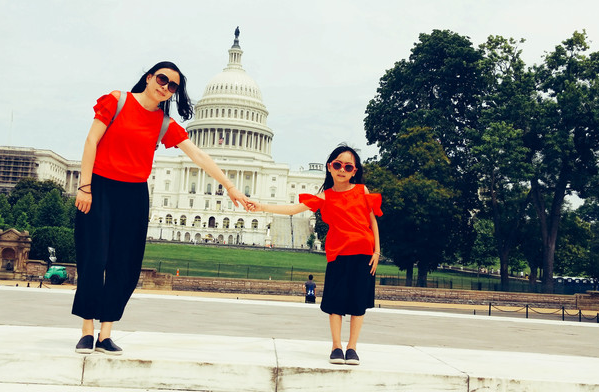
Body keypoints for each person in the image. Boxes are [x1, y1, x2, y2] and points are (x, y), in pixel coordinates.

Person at [73, 61, 249, 355]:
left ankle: (105, 334)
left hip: (134, 194)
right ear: (149, 77)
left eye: (173, 86)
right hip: (100, 187)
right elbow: (91, 140)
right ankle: (87, 331)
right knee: (93, 258)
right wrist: (85, 186)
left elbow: (198, 156)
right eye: (162, 79)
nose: (165, 87)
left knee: (124, 265)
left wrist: (230, 187)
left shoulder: (164, 124)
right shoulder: (117, 101)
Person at [247, 145, 381, 365]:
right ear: (330, 167)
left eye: (348, 167)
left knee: (358, 303)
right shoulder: (324, 197)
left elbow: (372, 220)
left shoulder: (362, 190)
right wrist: (261, 206)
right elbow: (293, 209)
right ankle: (336, 346)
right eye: (338, 165)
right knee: (335, 303)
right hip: (338, 254)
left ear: (354, 171)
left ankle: (352, 348)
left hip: (364, 254)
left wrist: (377, 251)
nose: (342, 170)